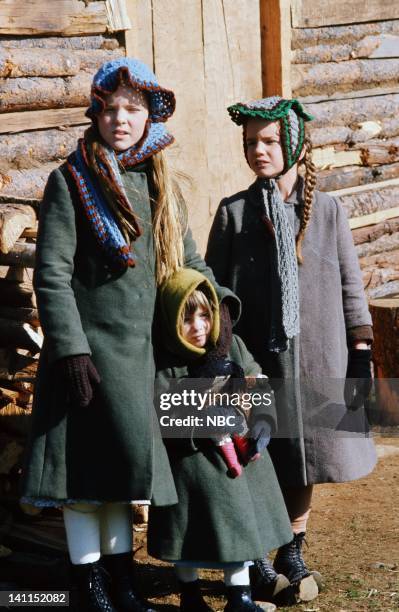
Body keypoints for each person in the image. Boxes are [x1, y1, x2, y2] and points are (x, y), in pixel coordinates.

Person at [21, 58, 237, 612]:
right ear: (96, 112)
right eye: (111, 108)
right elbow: (52, 273)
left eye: (133, 109)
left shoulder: (158, 178)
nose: (121, 119)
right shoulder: (69, 180)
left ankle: (123, 580)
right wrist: (69, 349)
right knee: (81, 477)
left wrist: (221, 312)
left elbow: (188, 258)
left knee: (119, 477)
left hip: (139, 357)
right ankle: (88, 587)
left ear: (149, 116)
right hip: (87, 357)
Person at [205, 96, 377, 602]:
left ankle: (292, 549)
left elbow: (350, 284)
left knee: (306, 453)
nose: (258, 150)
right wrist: (221, 354)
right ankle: (257, 553)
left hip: (320, 355)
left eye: (269, 142)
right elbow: (216, 291)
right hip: (257, 361)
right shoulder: (234, 213)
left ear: (295, 146)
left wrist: (362, 351)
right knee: (258, 452)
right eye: (250, 142)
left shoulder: (327, 211)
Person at [148, 268, 295, 612]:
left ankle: (239, 596)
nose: (198, 327)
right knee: (187, 535)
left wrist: (263, 419)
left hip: (239, 462)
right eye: (187, 319)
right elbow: (165, 409)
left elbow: (256, 376)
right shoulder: (166, 361)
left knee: (239, 526)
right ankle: (190, 594)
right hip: (192, 466)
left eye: (204, 315)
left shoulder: (231, 346)